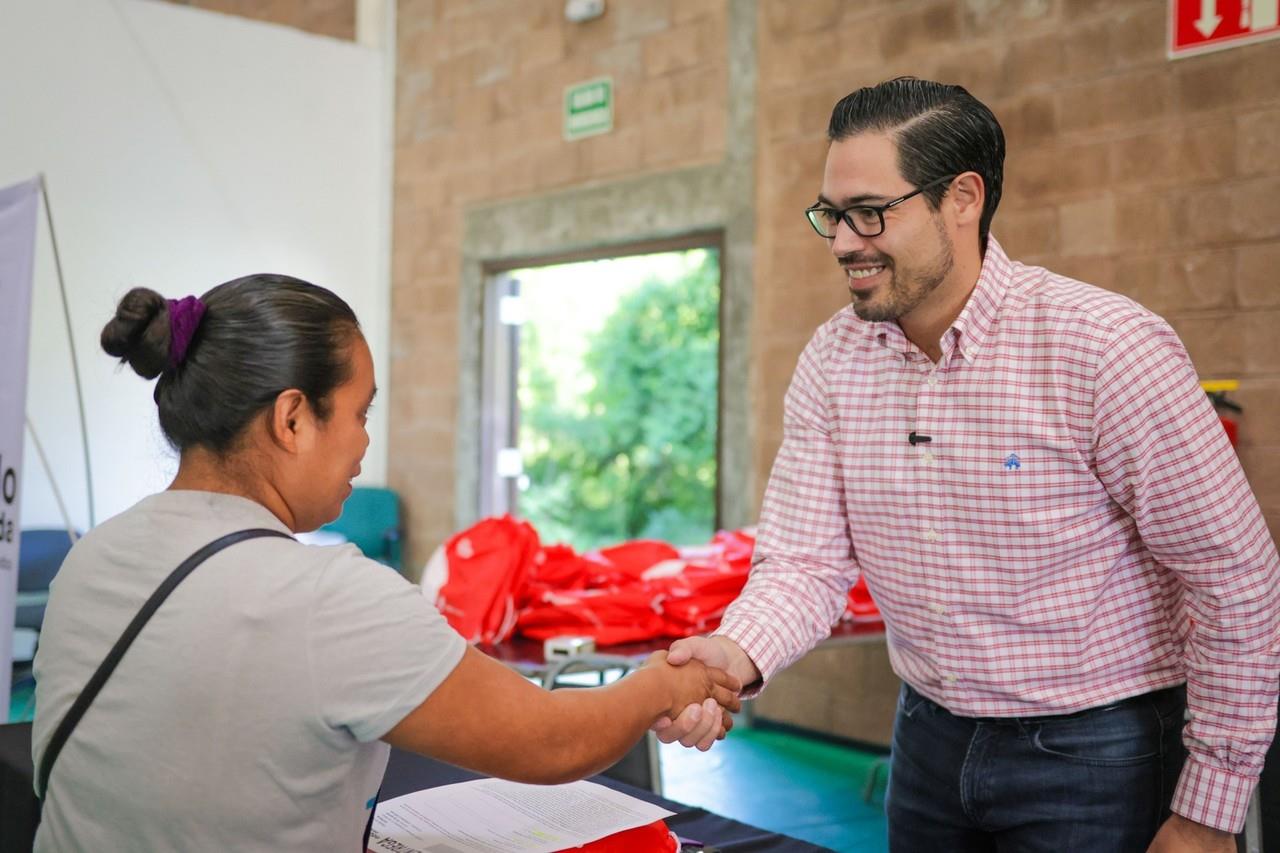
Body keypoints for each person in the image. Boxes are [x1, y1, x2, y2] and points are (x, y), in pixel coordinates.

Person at [655, 77, 1280, 852]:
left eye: (871, 213)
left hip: (1098, 754)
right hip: (927, 740)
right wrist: (735, 653)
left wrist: (1207, 813)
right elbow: (805, 562)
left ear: (964, 198)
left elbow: (1234, 576)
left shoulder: (1103, 349)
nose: (846, 241)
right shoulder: (834, 360)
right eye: (832, 215)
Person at [31, 274, 740, 851]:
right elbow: (551, 741)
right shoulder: (327, 596)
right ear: (292, 418)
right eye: (361, 413)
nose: (365, 443)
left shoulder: (89, 559)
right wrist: (657, 686)